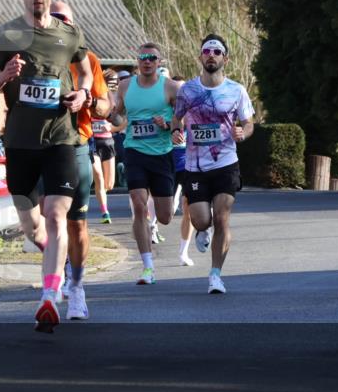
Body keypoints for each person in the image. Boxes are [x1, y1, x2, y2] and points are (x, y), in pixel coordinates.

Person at [0, 0, 93, 332]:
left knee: (59, 216)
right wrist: (5, 76)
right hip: (21, 143)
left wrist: (84, 92)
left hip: (61, 138)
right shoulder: (5, 35)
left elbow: (87, 70)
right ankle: (60, 267)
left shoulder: (69, 34)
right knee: (32, 226)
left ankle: (49, 296)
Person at [173, 34, 254, 294]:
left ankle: (215, 275)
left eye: (216, 52)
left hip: (226, 162)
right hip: (195, 166)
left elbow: (248, 122)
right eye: (206, 51)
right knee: (201, 219)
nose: (211, 55)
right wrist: (175, 131)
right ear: (200, 57)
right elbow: (176, 119)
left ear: (225, 59)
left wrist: (244, 132)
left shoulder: (236, 90)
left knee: (222, 217)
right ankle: (201, 230)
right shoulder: (187, 90)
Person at [50, 1, 111, 321]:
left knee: (76, 223)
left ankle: (77, 286)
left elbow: (105, 106)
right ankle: (54, 278)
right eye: (54, 19)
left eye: (64, 20)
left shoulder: (88, 60)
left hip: (77, 145)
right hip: (41, 148)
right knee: (47, 221)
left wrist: (86, 98)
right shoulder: (32, 55)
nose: (58, 24)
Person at [108, 42, 183, 285]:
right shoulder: (126, 86)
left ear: (159, 62)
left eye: (152, 58)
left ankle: (156, 226)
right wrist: (111, 113)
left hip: (161, 154)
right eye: (143, 58)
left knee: (165, 216)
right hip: (134, 151)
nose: (147, 61)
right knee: (139, 206)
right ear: (138, 61)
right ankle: (147, 267)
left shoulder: (171, 87)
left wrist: (169, 125)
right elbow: (118, 115)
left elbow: (180, 120)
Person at [170, 75, 194, 267]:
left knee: (190, 208)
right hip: (168, 164)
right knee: (166, 212)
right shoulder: (164, 112)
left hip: (191, 166)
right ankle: (152, 225)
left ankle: (183, 252)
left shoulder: (197, 111)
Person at [91, 68, 119, 223]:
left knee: (109, 183)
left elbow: (123, 123)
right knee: (99, 177)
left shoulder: (115, 101)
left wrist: (112, 128)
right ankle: (105, 212)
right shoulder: (93, 97)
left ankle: (101, 193)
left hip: (107, 142)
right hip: (93, 142)